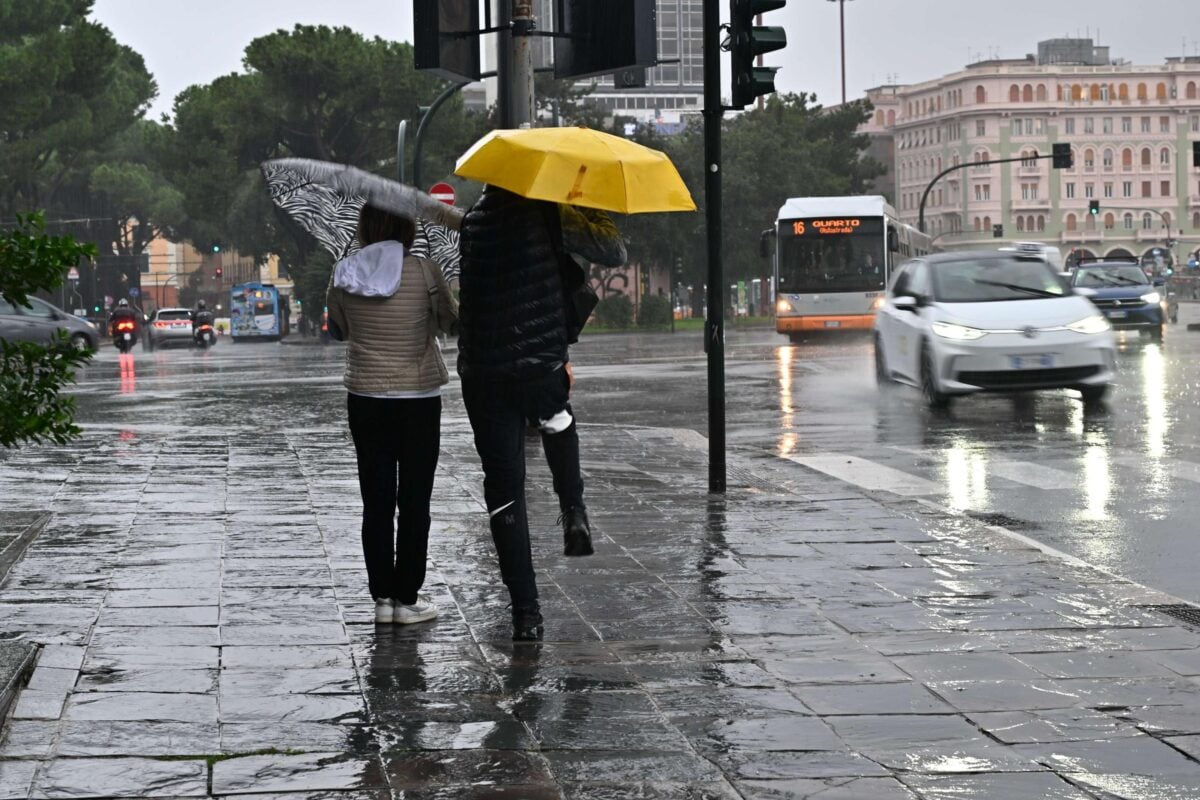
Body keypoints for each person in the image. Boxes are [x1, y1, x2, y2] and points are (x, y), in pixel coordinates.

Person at [457, 185, 625, 641]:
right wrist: (583, 202)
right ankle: (573, 507)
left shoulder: (472, 222)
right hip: (542, 365)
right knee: (558, 419)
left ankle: (525, 613)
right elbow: (613, 250)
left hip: (484, 374)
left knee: (504, 489)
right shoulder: (552, 213)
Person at [326, 204, 458, 625]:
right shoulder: (425, 271)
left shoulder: (344, 272)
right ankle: (407, 598)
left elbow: (339, 330)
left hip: (365, 397)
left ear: (364, 229)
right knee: (415, 500)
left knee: (376, 499)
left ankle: (382, 598)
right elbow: (449, 322)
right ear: (407, 228)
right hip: (418, 398)